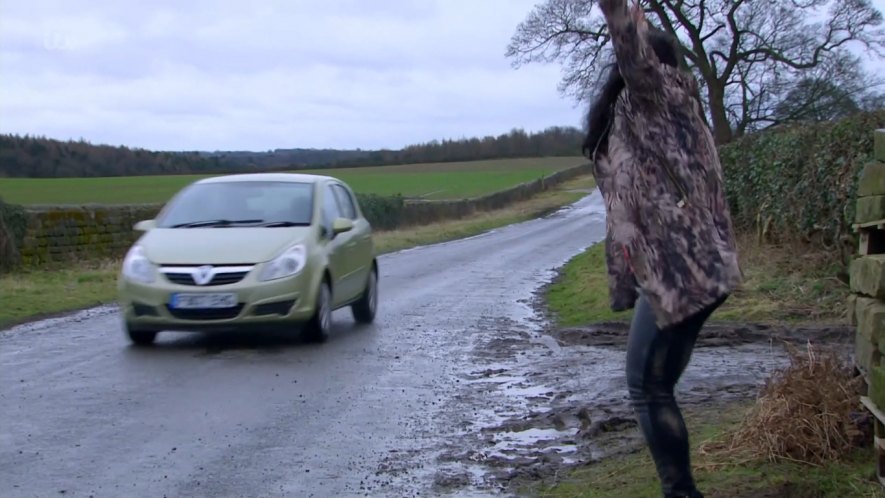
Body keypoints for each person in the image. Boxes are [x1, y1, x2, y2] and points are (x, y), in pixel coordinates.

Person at [581, 1, 742, 497]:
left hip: (682, 269)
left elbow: (635, 63)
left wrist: (619, 16)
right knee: (654, 386)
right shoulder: (672, 110)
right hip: (694, 267)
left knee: (646, 387)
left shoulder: (653, 97)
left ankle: (681, 493)